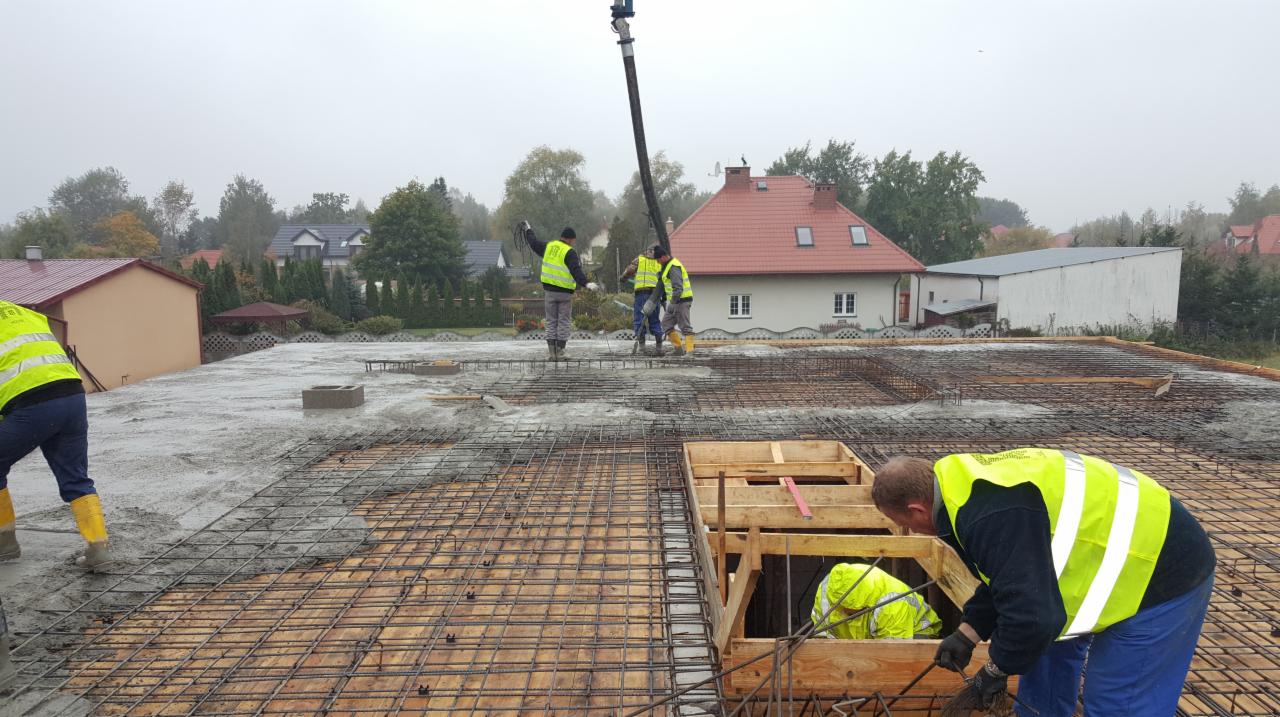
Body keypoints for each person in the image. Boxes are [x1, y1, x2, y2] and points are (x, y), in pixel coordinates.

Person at [871, 448, 1215, 717]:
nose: (909, 531)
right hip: (1097, 558)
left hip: (1163, 567)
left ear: (916, 508)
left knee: (1119, 702)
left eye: (902, 522)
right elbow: (1007, 577)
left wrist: (996, 668)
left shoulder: (988, 515)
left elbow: (1033, 618)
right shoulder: (958, 487)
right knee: (1044, 658)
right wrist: (968, 632)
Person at [0, 300, 112, 570]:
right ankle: (99, 549)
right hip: (72, 396)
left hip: (30, 404)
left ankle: (5, 544)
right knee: (75, 476)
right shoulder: (24, 313)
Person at [521, 223, 598, 361]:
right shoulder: (569, 252)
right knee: (563, 321)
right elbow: (576, 270)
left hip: (549, 292)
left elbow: (533, 243)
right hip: (564, 294)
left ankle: (551, 353)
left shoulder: (548, 247)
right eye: (573, 241)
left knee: (551, 321)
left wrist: (528, 230)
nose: (573, 243)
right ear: (570, 239)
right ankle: (560, 352)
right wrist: (586, 283)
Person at [811, 562, 942, 639]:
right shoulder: (827, 590)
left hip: (914, 633)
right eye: (842, 608)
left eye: (852, 613)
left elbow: (894, 654)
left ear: (866, 604)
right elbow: (821, 633)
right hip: (864, 640)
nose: (845, 612)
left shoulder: (892, 603)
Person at [618, 245, 664, 355]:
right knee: (655, 320)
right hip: (655, 295)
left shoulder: (640, 259)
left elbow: (629, 271)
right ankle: (659, 346)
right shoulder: (660, 262)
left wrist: (622, 279)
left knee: (639, 319)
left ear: (647, 251)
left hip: (642, 293)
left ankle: (642, 347)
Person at [654, 246, 694, 356]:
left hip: (682, 301)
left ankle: (690, 351)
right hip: (675, 301)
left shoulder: (673, 267)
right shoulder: (667, 266)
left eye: (658, 260)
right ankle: (678, 349)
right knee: (666, 323)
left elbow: (678, 288)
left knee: (685, 326)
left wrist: (672, 303)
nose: (658, 262)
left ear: (662, 257)